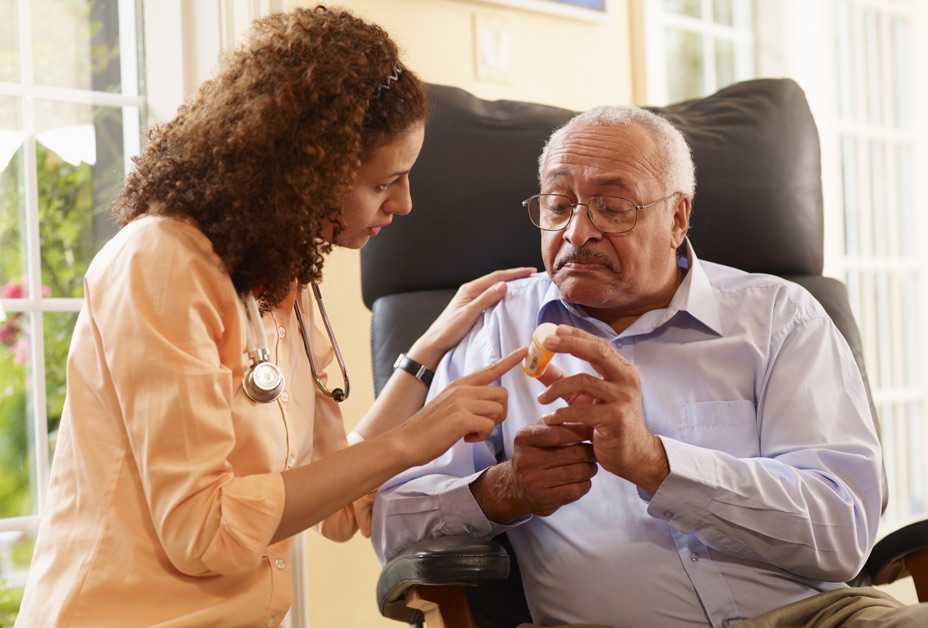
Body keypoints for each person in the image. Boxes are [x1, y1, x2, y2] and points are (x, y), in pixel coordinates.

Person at [14, 7, 533, 627]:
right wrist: (411, 441)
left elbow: (337, 506)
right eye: (384, 182)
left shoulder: (284, 277)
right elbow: (203, 530)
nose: (405, 203)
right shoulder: (160, 262)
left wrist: (422, 360)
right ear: (306, 172)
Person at [371, 105, 911, 626]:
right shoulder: (497, 329)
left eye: (612, 206)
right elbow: (393, 526)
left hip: (817, 619)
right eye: (559, 204)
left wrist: (658, 464)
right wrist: (503, 491)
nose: (577, 233)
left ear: (677, 217)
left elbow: (843, 531)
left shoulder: (778, 316)